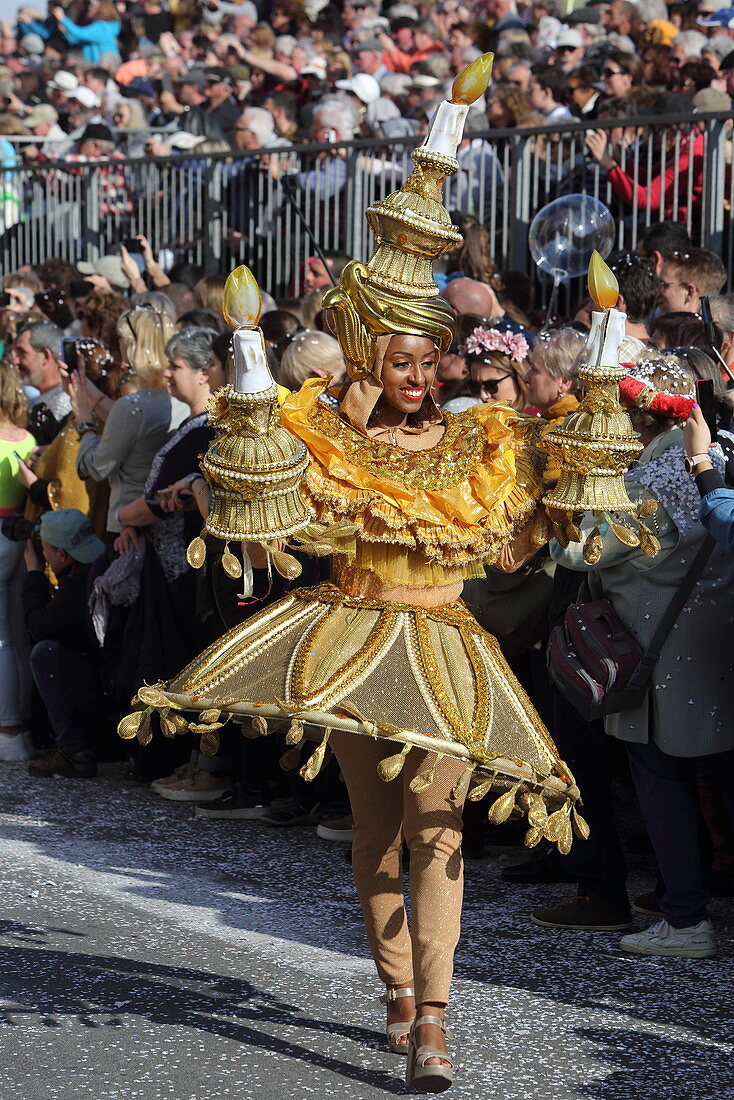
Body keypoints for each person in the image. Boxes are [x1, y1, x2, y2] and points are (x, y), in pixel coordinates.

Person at [119, 100, 580, 1092]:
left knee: (439, 828)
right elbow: (251, 485)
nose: (416, 378)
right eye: (399, 361)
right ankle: (398, 993)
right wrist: (251, 365)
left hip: (447, 649)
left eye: (430, 360)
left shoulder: (477, 446)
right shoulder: (332, 443)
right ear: (377, 358)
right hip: (353, 643)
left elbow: (538, 519)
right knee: (377, 831)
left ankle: (437, 1020)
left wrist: (600, 425)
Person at [551, 356, 734, 958]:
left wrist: (564, 506)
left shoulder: (640, 483)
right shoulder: (721, 458)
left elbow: (580, 552)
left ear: (632, 419)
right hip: (716, 648)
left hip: (656, 656)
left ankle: (686, 921)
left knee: (663, 786)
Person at [74, 306, 176, 537]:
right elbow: (130, 428)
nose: (118, 345)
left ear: (133, 344)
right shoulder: (176, 397)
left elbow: (97, 468)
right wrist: (83, 386)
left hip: (127, 524)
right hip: (165, 521)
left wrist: (85, 424)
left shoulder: (134, 406)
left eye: (120, 338)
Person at [23, 508, 106, 778]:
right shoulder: (98, 564)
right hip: (106, 680)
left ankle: (73, 750)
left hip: (103, 686)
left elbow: (39, 626)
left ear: (62, 554)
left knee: (44, 654)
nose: (42, 554)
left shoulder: (79, 582)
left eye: (45, 549)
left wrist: (34, 573)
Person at [0, 363, 35, 762]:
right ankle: (18, 725)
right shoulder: (27, 439)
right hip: (19, 540)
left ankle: (9, 726)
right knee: (14, 636)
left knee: (4, 638)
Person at [13, 320, 71, 445]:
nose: (16, 361)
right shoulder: (46, 401)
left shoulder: (62, 407)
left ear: (45, 356)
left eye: (22, 353)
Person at [463, 323, 531, 411]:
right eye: (474, 386)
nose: (483, 396)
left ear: (518, 377)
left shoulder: (543, 422)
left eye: (491, 386)